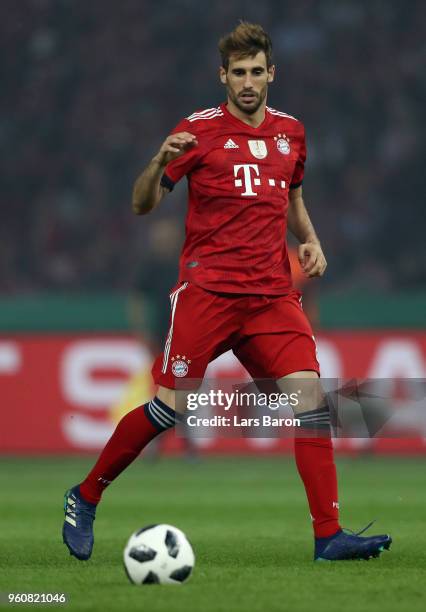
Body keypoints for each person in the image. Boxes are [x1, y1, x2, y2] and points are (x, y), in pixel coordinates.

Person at [63, 22, 392, 562]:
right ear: (223, 76)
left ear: (271, 74)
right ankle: (85, 495)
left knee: (311, 403)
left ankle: (328, 536)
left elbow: (291, 198)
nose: (246, 82)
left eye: (255, 72)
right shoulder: (196, 131)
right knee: (169, 410)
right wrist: (157, 159)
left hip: (269, 296)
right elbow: (142, 205)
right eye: (237, 73)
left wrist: (309, 240)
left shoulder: (292, 133)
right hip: (208, 293)